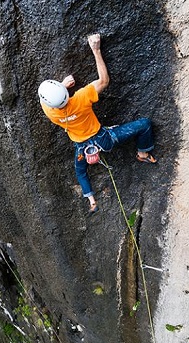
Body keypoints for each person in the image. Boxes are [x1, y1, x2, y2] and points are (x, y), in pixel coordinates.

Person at [38, 33, 157, 214]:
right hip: (104, 139)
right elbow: (104, 80)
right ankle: (142, 152)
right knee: (145, 124)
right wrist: (96, 50)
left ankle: (91, 200)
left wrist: (62, 85)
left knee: (80, 171)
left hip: (81, 148)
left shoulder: (49, 111)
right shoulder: (81, 98)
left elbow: (47, 100)